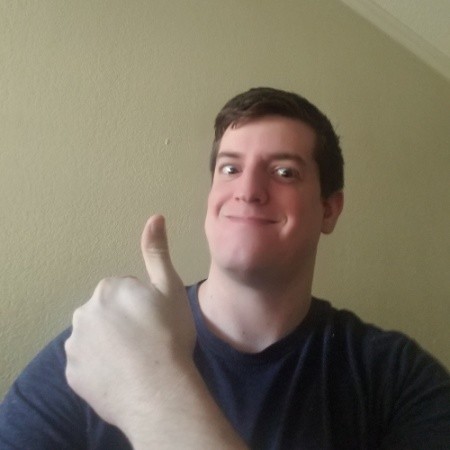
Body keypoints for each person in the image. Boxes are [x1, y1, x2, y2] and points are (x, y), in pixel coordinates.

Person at [1, 87, 449, 449]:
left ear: (329, 209)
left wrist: (153, 393)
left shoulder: (398, 379)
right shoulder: (105, 341)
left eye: (284, 172)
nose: (248, 190)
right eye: (230, 169)